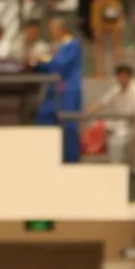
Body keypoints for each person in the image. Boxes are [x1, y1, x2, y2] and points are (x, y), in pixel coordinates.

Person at [36, 17, 83, 162]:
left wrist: (43, 58)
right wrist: (37, 61)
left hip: (69, 89)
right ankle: (46, 157)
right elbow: (46, 65)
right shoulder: (55, 45)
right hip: (53, 89)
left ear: (62, 29)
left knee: (69, 125)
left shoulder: (72, 44)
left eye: (54, 29)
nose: (51, 32)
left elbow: (59, 63)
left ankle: (71, 160)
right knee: (44, 117)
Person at [86, 64, 135, 163]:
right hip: (117, 122)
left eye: (125, 76)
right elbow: (101, 103)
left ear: (129, 77)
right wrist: (85, 113)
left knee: (117, 142)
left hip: (131, 124)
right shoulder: (116, 88)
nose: (122, 79)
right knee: (94, 125)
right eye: (120, 76)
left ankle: (118, 164)